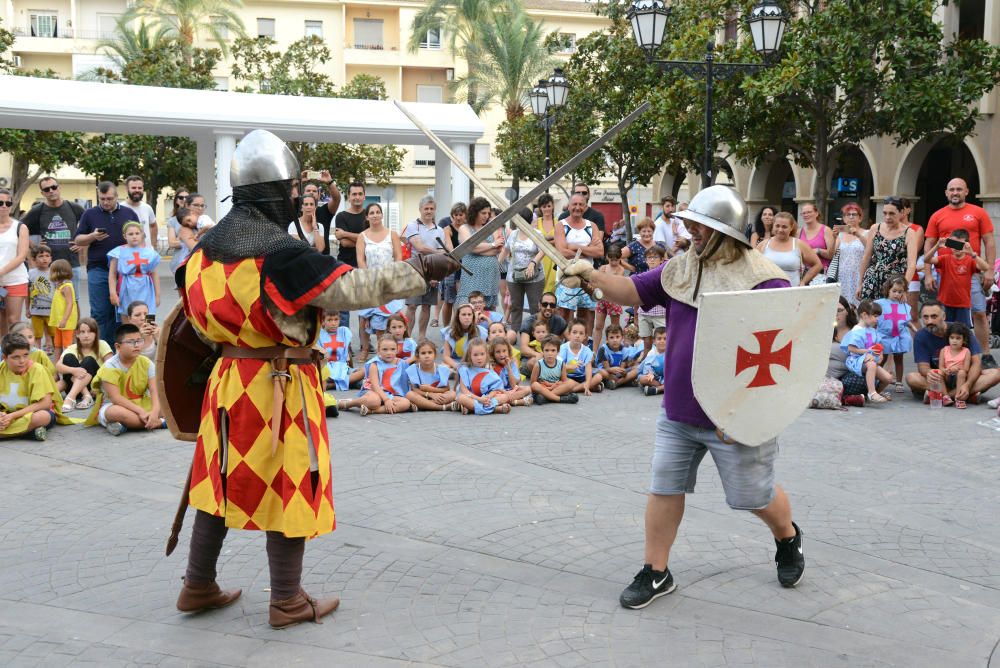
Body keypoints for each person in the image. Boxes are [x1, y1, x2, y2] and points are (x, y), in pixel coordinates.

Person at [171, 130, 458, 628]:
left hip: (226, 383)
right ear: (276, 192)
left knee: (220, 481)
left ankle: (198, 585)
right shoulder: (281, 254)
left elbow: (191, 324)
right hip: (278, 383)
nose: (294, 197)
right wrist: (420, 271)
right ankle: (286, 600)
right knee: (290, 479)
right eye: (291, 189)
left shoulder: (202, 252)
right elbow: (351, 288)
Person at [564, 185, 805, 609]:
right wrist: (591, 275)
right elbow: (633, 290)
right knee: (664, 486)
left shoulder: (764, 280)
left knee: (754, 495)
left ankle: (787, 537)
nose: (691, 231)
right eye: (691, 224)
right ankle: (657, 572)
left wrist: (748, 415)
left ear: (723, 231)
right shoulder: (681, 268)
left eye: (700, 226)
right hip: (679, 406)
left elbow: (781, 356)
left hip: (733, 414)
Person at [923, 178, 996, 368]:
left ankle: (984, 355)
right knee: (946, 317)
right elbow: (929, 245)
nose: (955, 193)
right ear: (946, 193)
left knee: (979, 313)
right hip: (944, 272)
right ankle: (949, 355)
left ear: (966, 192)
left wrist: (989, 270)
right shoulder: (937, 216)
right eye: (952, 190)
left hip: (970, 271)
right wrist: (929, 274)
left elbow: (989, 241)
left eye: (959, 189)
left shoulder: (978, 213)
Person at [74, 181, 140, 348]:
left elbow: (140, 238)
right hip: (98, 269)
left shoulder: (129, 213)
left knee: (122, 312)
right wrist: (93, 236)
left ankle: (121, 348)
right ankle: (102, 351)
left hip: (125, 271)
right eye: (102, 199)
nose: (105, 202)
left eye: (109, 198)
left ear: (117, 197)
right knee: (100, 312)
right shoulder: (89, 214)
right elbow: (78, 240)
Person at [905, 300, 1000, 403]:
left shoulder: (962, 330)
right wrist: (930, 373)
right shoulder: (920, 335)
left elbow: (976, 363)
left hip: (963, 376)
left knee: (995, 374)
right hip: (940, 378)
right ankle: (964, 395)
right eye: (925, 317)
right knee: (911, 378)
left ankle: (943, 395)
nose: (929, 321)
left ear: (944, 317)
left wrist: (967, 385)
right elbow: (923, 367)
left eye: (934, 317)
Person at [84, 323, 164, 435]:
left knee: (169, 405)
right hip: (115, 405)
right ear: (118, 347)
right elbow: (116, 398)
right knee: (116, 413)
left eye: (139, 341)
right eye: (131, 342)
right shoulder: (110, 366)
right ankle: (162, 423)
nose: (136, 345)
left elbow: (154, 390)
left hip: (141, 402)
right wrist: (141, 411)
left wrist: (155, 412)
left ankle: (127, 425)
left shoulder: (146, 363)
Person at [21, 176, 85, 296]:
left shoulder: (74, 207)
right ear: (42, 193)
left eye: (53, 187)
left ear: (59, 188)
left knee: (73, 302)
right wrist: (34, 247)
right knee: (50, 302)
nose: (51, 191)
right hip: (47, 266)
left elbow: (90, 226)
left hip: (71, 264)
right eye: (46, 189)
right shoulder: (37, 210)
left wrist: (83, 243)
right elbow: (19, 228)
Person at [555, 193, 604, 336]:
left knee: (586, 316)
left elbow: (600, 251)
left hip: (587, 279)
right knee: (564, 315)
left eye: (580, 204)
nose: (577, 208)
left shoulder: (592, 226)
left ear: (585, 207)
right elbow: (562, 252)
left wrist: (575, 247)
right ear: (569, 206)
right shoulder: (561, 225)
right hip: (567, 279)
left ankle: (585, 350)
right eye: (574, 204)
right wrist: (589, 250)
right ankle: (562, 349)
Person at [356, 202, 401, 358]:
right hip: (369, 282)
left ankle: (389, 350)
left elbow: (398, 257)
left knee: (388, 316)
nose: (375, 215)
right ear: (367, 216)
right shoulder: (362, 236)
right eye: (372, 213)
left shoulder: (392, 234)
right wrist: (369, 278)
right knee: (365, 317)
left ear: (382, 215)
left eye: (377, 212)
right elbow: (361, 260)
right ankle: (365, 349)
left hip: (388, 282)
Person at [406, 195, 453, 340]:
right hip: (415, 270)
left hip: (432, 272)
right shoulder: (413, 226)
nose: (428, 211)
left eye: (431, 208)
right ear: (420, 209)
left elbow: (442, 255)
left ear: (435, 210)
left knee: (426, 306)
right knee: (412, 306)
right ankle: (407, 337)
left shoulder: (439, 230)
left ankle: (421, 337)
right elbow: (420, 247)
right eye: (426, 208)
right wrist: (438, 251)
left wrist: (436, 275)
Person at [0, 333, 62, 441]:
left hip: (32, 413)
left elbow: (45, 403)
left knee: (42, 416)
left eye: (25, 355)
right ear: (4, 357)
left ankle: (6, 434)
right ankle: (27, 433)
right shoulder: (1, 368)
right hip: (7, 414)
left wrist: (12, 416)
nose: (22, 361)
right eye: (16, 357)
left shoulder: (38, 370)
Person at [923, 229, 989, 328]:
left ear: (966, 244)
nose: (956, 247)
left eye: (960, 244)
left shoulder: (970, 260)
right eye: (954, 243)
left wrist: (972, 253)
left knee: (962, 333)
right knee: (944, 331)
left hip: (963, 305)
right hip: (944, 303)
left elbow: (985, 267)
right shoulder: (945, 258)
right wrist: (937, 246)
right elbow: (926, 259)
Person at [857, 197, 918, 302]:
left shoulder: (909, 233)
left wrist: (903, 289)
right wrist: (860, 283)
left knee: (890, 315)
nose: (887, 217)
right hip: (872, 279)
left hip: (894, 285)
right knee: (869, 315)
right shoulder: (875, 228)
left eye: (892, 213)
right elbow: (866, 257)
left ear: (902, 212)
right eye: (884, 213)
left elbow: (911, 265)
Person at [340, 335, 411, 416]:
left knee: (405, 403)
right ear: (378, 350)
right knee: (374, 401)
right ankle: (349, 403)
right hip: (374, 392)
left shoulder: (402, 363)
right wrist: (386, 400)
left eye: (392, 349)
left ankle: (372, 411)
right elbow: (375, 386)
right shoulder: (374, 364)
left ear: (397, 350)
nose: (389, 353)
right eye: (385, 349)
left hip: (391, 394)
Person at [841, 300, 895, 404]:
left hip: (870, 360)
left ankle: (873, 394)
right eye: (875, 316)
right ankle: (872, 392)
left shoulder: (872, 330)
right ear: (864, 315)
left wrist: (880, 356)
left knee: (888, 378)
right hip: (856, 360)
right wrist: (868, 352)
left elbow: (878, 346)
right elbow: (851, 349)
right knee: (871, 364)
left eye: (878, 316)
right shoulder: (856, 331)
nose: (877, 319)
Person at [54, 317, 110, 412]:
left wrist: (100, 385)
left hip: (92, 387)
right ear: (77, 334)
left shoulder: (102, 344)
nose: (86, 335)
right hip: (73, 386)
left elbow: (110, 366)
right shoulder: (72, 348)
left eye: (90, 331)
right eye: (82, 332)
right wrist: (74, 370)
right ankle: (85, 396)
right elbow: (58, 366)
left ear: (96, 333)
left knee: (88, 360)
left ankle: (71, 398)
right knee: (68, 357)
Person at [455, 197, 502, 309]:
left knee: (489, 310)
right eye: (483, 213)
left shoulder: (492, 227)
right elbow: (470, 246)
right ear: (474, 212)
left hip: (490, 277)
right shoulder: (464, 228)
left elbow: (499, 249)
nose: (486, 216)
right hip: (472, 276)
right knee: (467, 309)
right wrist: (492, 245)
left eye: (488, 213)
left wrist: (477, 248)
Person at [499, 217, 545, 333]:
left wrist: (533, 263)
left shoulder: (537, 233)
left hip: (534, 276)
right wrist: (497, 263)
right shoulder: (513, 234)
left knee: (535, 307)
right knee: (515, 306)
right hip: (514, 276)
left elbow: (543, 250)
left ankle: (535, 335)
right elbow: (506, 249)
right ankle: (514, 334)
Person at [108, 221, 160, 321]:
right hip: (127, 288)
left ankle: (147, 336)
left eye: (137, 233)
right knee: (128, 317)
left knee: (148, 320)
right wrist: (113, 293)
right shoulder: (118, 252)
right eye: (130, 234)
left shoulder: (149, 252)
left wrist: (157, 295)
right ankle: (129, 336)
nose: (134, 236)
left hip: (146, 288)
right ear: (124, 236)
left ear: (142, 235)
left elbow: (154, 274)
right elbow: (112, 274)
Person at [757, 211, 822, 287]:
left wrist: (804, 281)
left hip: (792, 292)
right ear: (773, 226)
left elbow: (817, 265)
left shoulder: (799, 244)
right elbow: (752, 266)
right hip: (766, 292)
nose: (780, 230)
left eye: (784, 227)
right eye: (777, 226)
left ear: (791, 227)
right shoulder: (763, 244)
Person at [827, 297, 868, 406]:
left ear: (847, 311)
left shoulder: (857, 330)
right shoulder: (825, 330)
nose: (836, 314)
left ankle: (837, 396)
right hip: (830, 375)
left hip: (852, 374)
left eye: (839, 310)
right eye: (832, 310)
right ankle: (846, 398)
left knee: (857, 380)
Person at [875, 275, 912, 392]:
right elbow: (875, 317)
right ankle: (877, 379)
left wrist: (915, 329)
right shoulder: (880, 304)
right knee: (882, 358)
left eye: (900, 292)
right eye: (894, 291)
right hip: (884, 337)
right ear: (888, 290)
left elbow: (906, 321)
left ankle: (899, 382)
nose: (897, 294)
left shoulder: (904, 306)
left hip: (899, 336)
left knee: (899, 359)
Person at [454, 337, 510, 415]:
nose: (479, 358)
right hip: (472, 397)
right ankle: (495, 409)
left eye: (482, 354)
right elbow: (464, 391)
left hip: (486, 398)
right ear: (470, 355)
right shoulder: (464, 369)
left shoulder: (489, 369)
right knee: (460, 398)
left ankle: (472, 409)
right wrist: (479, 399)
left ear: (486, 355)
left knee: (505, 396)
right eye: (475, 355)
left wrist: (488, 397)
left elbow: (495, 389)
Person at [0, 188, 29, 335]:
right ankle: (2, 355)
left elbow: (22, 255)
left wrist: (1, 272)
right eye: (0, 203)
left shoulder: (20, 227)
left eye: (8, 203)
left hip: (15, 280)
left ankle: (15, 353)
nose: (4, 206)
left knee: (13, 320)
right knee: (0, 321)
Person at [831, 202, 868, 306]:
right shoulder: (840, 235)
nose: (851, 217)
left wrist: (858, 234)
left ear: (860, 218)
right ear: (844, 218)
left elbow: (870, 249)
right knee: (843, 306)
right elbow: (831, 254)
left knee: (860, 306)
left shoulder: (867, 233)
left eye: (854, 214)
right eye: (848, 215)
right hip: (843, 276)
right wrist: (833, 238)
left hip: (860, 275)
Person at [436, 202, 467, 328]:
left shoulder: (468, 229)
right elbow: (449, 248)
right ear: (452, 216)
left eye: (461, 214)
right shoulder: (447, 229)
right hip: (451, 266)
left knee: (461, 300)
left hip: (466, 267)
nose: (458, 217)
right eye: (456, 215)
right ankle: (447, 327)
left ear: (465, 215)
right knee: (449, 300)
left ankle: (458, 327)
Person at [404, 339, 457, 412]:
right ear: (418, 356)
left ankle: (423, 405)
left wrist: (431, 390)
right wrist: (429, 394)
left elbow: (446, 389)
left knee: (452, 394)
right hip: (422, 396)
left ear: (435, 355)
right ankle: (442, 407)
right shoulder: (413, 369)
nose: (427, 356)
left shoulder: (441, 369)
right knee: (409, 394)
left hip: (438, 396)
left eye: (430, 353)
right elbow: (414, 389)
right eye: (423, 353)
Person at [593, 244, 627, 352]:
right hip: (602, 299)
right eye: (611, 260)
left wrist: (604, 280)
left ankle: (615, 350)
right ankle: (594, 351)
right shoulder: (603, 267)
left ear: (620, 258)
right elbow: (598, 282)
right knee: (598, 326)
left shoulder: (621, 269)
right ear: (607, 257)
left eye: (616, 260)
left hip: (614, 300)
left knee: (615, 328)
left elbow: (615, 284)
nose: (613, 263)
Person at [636, 245, 667, 356]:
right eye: (649, 257)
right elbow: (636, 295)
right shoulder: (641, 276)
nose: (652, 260)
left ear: (662, 260)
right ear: (646, 260)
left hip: (660, 313)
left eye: (655, 257)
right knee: (646, 340)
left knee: (663, 340)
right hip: (644, 313)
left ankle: (664, 362)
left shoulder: (665, 275)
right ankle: (646, 361)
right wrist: (635, 315)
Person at [529, 335, 578, 405]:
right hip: (543, 388)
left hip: (555, 388)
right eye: (547, 350)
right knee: (535, 385)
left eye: (553, 350)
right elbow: (532, 384)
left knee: (571, 383)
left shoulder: (561, 364)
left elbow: (564, 381)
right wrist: (545, 386)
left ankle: (546, 398)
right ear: (542, 351)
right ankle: (560, 399)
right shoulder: (538, 365)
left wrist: (555, 385)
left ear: (558, 352)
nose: (550, 353)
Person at [559, 319, 603, 396]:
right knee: (565, 381)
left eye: (581, 333)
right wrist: (571, 366)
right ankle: (590, 387)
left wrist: (588, 383)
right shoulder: (563, 348)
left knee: (599, 377)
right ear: (569, 334)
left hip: (582, 376)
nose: (577, 336)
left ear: (585, 336)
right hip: (568, 376)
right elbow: (559, 366)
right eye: (574, 332)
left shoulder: (586, 350)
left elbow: (588, 368)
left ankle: (574, 389)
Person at [487, 335, 532, 407]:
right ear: (493, 353)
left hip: (510, 390)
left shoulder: (512, 363)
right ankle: (515, 402)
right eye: (498, 352)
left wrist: (508, 368)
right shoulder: (491, 365)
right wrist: (504, 392)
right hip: (498, 392)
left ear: (508, 351)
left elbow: (514, 385)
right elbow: (493, 387)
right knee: (498, 396)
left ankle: (508, 401)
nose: (502, 354)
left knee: (528, 389)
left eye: (504, 351)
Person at [441, 303, 487, 371]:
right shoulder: (450, 332)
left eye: (469, 314)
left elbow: (486, 352)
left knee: (488, 366)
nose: (467, 317)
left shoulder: (481, 331)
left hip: (475, 360)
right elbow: (446, 356)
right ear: (458, 317)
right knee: (443, 367)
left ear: (473, 317)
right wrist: (457, 366)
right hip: (456, 361)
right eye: (463, 314)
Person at [47, 259, 77, 361]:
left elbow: (70, 304)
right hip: (59, 321)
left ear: (59, 272)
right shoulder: (60, 286)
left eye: (52, 271)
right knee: (57, 344)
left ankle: (67, 366)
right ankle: (57, 367)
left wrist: (64, 319)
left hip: (65, 322)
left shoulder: (66, 287)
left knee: (67, 346)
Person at [797, 202, 834, 282]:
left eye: (809, 212)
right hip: (803, 273)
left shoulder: (826, 230)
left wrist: (818, 250)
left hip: (821, 274)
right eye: (804, 213)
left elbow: (831, 255)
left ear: (816, 213)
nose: (806, 215)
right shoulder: (799, 232)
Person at [596, 324, 640, 390]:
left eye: (617, 337)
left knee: (637, 369)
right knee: (601, 372)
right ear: (607, 339)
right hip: (607, 372)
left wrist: (623, 372)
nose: (615, 340)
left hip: (617, 373)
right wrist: (611, 370)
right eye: (611, 337)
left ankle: (616, 383)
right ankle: (624, 382)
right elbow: (607, 368)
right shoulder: (603, 350)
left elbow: (622, 368)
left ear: (622, 338)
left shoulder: (625, 350)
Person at [939, 322, 973, 408]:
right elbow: (941, 367)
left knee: (962, 373)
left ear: (964, 340)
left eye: (958, 338)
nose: (954, 340)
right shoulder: (944, 350)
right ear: (948, 338)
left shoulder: (966, 351)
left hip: (959, 377)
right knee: (938, 373)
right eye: (952, 338)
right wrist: (945, 370)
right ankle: (945, 396)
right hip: (947, 376)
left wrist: (957, 368)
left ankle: (958, 398)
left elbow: (966, 368)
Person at [28, 244, 54, 352]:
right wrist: (27, 308)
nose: (45, 258)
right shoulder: (30, 273)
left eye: (47, 256)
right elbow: (27, 292)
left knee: (53, 333)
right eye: (41, 256)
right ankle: (37, 352)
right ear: (34, 259)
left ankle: (52, 349)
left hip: (52, 312)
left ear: (51, 258)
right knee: (37, 335)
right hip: (36, 311)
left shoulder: (54, 272)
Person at [318, 310, 353, 392]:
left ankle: (332, 385)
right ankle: (347, 382)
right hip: (327, 367)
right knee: (323, 375)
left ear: (340, 320)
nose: (333, 323)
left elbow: (348, 352)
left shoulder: (344, 332)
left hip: (342, 367)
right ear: (323, 321)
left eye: (336, 320)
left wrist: (351, 368)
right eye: (329, 320)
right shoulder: (319, 335)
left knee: (364, 371)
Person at [120, 176, 158, 249]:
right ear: (127, 189)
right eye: (133, 188)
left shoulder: (147, 208)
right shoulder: (120, 208)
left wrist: (153, 246)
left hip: (146, 254)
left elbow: (153, 226)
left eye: (140, 188)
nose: (137, 190)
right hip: (127, 254)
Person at [533, 193, 559, 294]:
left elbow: (560, 241)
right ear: (540, 208)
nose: (547, 209)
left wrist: (544, 241)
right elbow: (534, 241)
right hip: (540, 259)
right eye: (544, 206)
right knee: (540, 289)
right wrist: (553, 241)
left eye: (549, 206)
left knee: (553, 289)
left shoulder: (558, 223)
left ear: (553, 206)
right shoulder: (536, 222)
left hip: (554, 260)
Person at [169, 207, 200, 275]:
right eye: (196, 205)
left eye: (202, 205)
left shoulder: (202, 221)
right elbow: (197, 249)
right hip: (183, 264)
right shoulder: (183, 228)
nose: (199, 208)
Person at [638, 326, 667, 396]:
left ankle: (657, 389)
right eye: (659, 339)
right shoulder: (652, 353)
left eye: (665, 339)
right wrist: (650, 374)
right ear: (654, 341)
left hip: (667, 377)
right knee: (643, 379)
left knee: (676, 380)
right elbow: (647, 366)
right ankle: (662, 387)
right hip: (655, 378)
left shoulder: (671, 352)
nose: (662, 341)